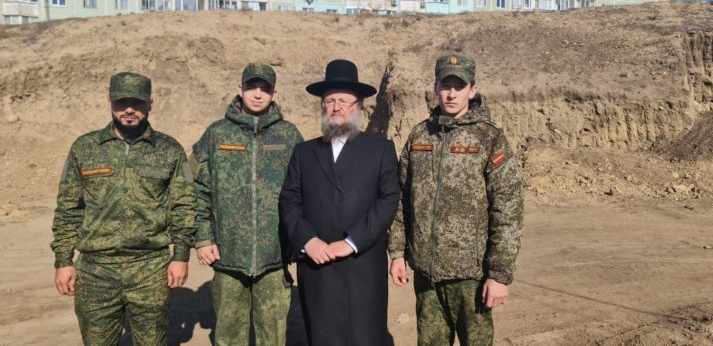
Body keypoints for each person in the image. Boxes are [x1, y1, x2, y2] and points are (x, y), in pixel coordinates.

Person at [51, 72, 196, 346]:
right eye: (122, 102)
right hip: (95, 269)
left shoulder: (170, 149)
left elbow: (185, 205)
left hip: (150, 268)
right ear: (110, 102)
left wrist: (181, 256)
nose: (129, 109)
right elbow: (69, 208)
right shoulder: (84, 148)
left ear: (150, 104)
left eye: (137, 102)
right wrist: (63, 261)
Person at [388, 55, 524, 346]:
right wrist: (397, 252)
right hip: (427, 276)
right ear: (435, 88)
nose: (451, 94)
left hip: (471, 278)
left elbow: (508, 209)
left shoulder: (489, 138)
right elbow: (401, 198)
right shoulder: (419, 135)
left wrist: (499, 275)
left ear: (472, 90)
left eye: (459, 87)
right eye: (445, 85)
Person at [279, 59, 400, 346]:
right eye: (330, 101)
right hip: (317, 264)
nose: (336, 107)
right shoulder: (304, 152)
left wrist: (351, 242)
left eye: (343, 101)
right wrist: (308, 240)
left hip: (362, 263)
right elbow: (289, 200)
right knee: (324, 336)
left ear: (358, 106)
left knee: (365, 336)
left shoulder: (380, 149)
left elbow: (388, 200)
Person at [191, 63, 303, 346]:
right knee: (228, 336)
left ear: (275, 93)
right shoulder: (217, 134)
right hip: (228, 255)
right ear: (239, 89)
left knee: (273, 336)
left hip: (274, 255)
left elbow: (303, 192)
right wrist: (203, 238)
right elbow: (198, 189)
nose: (258, 94)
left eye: (265, 88)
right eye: (252, 87)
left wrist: (296, 238)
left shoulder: (289, 136)